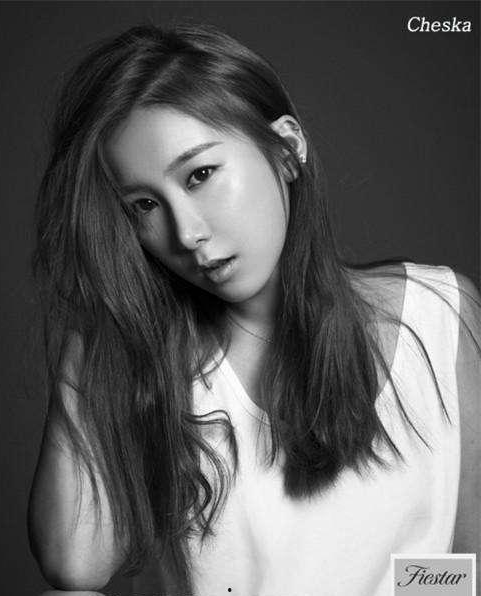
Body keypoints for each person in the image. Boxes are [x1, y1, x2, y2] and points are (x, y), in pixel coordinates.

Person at [27, 21, 480, 596]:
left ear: (286, 150)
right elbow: (74, 568)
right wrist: (100, 316)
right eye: (143, 205)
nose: (186, 232)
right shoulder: (150, 362)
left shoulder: (436, 316)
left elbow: (463, 567)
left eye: (200, 175)